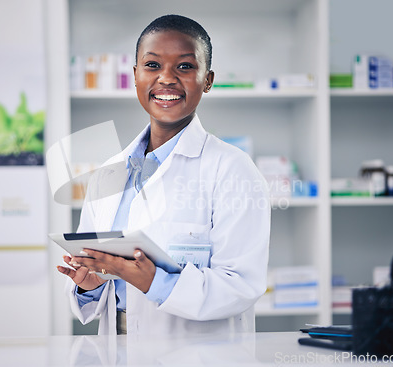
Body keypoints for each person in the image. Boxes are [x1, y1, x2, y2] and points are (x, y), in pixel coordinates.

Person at [57, 14, 270, 336]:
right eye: (152, 66)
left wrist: (153, 281)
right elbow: (101, 277)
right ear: (135, 76)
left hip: (195, 352)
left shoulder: (232, 168)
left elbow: (241, 285)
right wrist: (91, 284)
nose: (166, 79)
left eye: (184, 66)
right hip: (118, 347)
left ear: (208, 80)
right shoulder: (109, 172)